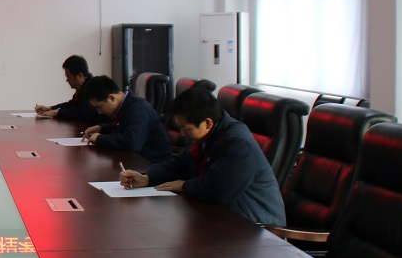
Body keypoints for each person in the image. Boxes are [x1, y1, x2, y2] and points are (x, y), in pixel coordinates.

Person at [119, 87, 286, 226]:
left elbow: (218, 190)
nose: (182, 134)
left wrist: (184, 185)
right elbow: (180, 164)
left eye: (187, 129)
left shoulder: (237, 143)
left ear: (207, 123)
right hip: (224, 218)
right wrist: (147, 178)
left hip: (256, 228)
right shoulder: (210, 135)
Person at [80, 75, 171, 163]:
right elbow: (124, 127)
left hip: (153, 164)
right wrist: (101, 128)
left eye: (99, 107)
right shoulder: (126, 105)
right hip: (137, 159)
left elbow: (132, 142)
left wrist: (99, 139)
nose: (99, 112)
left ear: (111, 98)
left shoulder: (138, 108)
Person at [34, 55, 108, 124]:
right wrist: (50, 108)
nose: (67, 80)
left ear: (80, 76)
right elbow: (71, 104)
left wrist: (57, 112)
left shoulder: (93, 87)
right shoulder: (84, 85)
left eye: (68, 77)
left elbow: (82, 112)